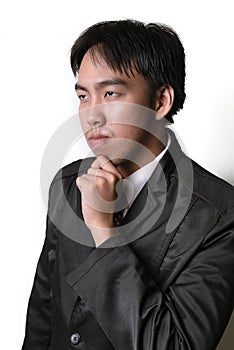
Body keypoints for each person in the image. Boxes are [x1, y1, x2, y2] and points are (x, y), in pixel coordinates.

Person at [22, 20, 234, 350]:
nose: (92, 115)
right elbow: (42, 317)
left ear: (161, 101)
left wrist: (104, 231)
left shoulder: (218, 214)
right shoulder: (67, 184)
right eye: (83, 95)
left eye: (110, 93)